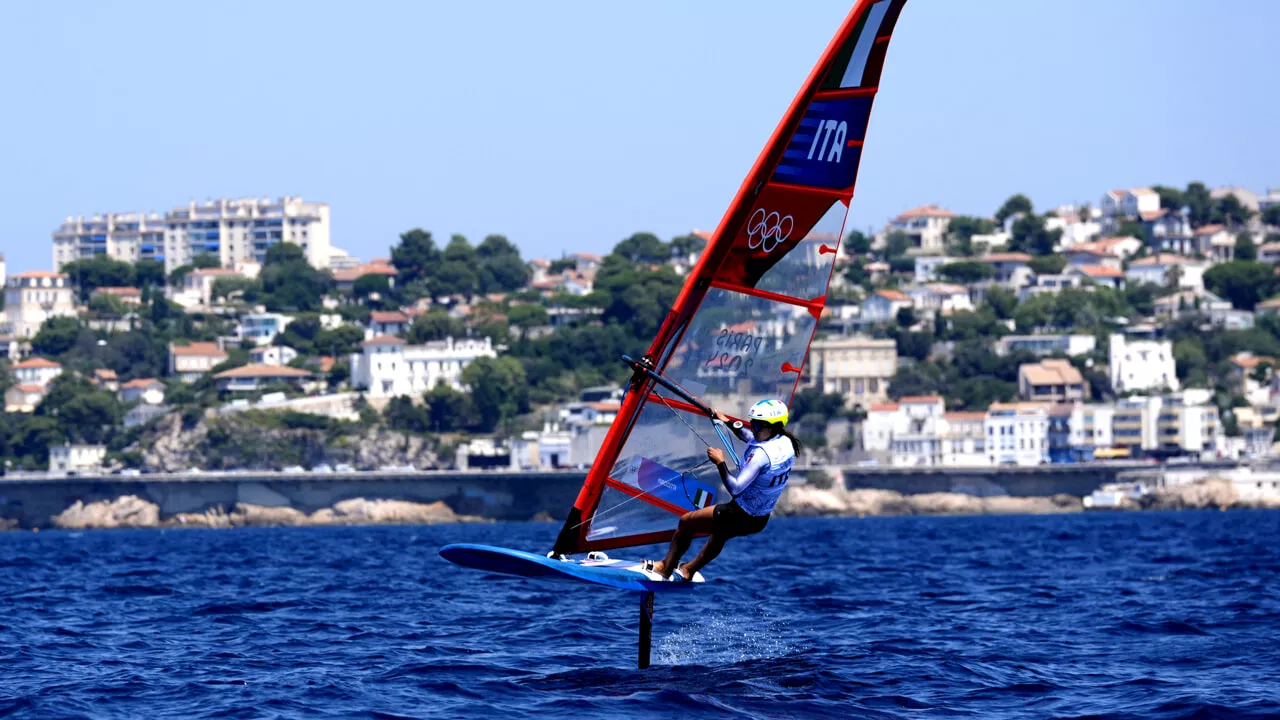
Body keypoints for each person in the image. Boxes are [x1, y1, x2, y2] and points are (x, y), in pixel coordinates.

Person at [645, 398, 801, 581]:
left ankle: (665, 567)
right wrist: (725, 421)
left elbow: (735, 489)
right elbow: (749, 437)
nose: (753, 428)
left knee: (686, 522)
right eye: (752, 423)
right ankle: (689, 570)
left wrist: (720, 462)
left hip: (740, 513)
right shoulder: (785, 442)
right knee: (720, 534)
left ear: (773, 426)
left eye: (758, 425)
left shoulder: (761, 456)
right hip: (759, 519)